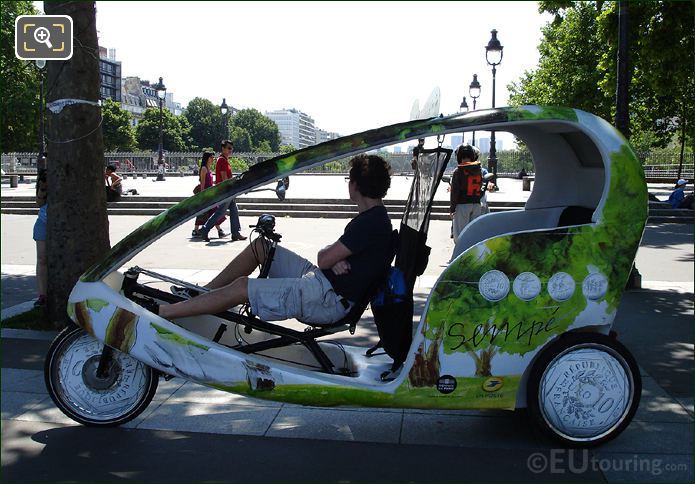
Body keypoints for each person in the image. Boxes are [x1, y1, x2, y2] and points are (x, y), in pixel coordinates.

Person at [159, 155, 393, 326]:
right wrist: (332, 259)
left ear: (355, 185)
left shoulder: (369, 223)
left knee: (243, 286)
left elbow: (323, 258)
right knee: (262, 246)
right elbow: (328, 258)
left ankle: (166, 312)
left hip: (326, 299)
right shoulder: (376, 219)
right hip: (324, 285)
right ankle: (200, 294)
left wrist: (330, 258)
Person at [198, 140, 246, 242]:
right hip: (225, 191)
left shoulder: (225, 160)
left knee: (234, 210)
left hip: (228, 190)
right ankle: (205, 229)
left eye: (231, 148)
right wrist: (233, 187)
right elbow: (224, 179)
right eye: (228, 148)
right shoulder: (222, 160)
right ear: (223, 148)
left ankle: (235, 233)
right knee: (220, 212)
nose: (230, 150)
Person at [450, 144, 483, 240]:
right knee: (474, 234)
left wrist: (452, 208)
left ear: (459, 156)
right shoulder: (478, 169)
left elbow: (454, 191)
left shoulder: (458, 171)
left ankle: (461, 254)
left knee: (460, 236)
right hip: (476, 204)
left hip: (462, 205)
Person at [192, 152, 226, 238]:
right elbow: (202, 183)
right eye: (211, 157)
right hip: (206, 194)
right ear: (207, 158)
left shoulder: (208, 168)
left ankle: (196, 230)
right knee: (213, 211)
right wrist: (202, 195)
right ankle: (219, 230)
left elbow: (209, 181)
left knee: (206, 212)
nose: (213, 159)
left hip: (211, 194)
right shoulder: (204, 168)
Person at [33, 163, 48, 308]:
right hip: (43, 222)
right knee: (42, 258)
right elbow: (39, 202)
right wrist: (43, 188)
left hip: (62, 224)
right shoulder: (43, 177)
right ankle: (42, 295)